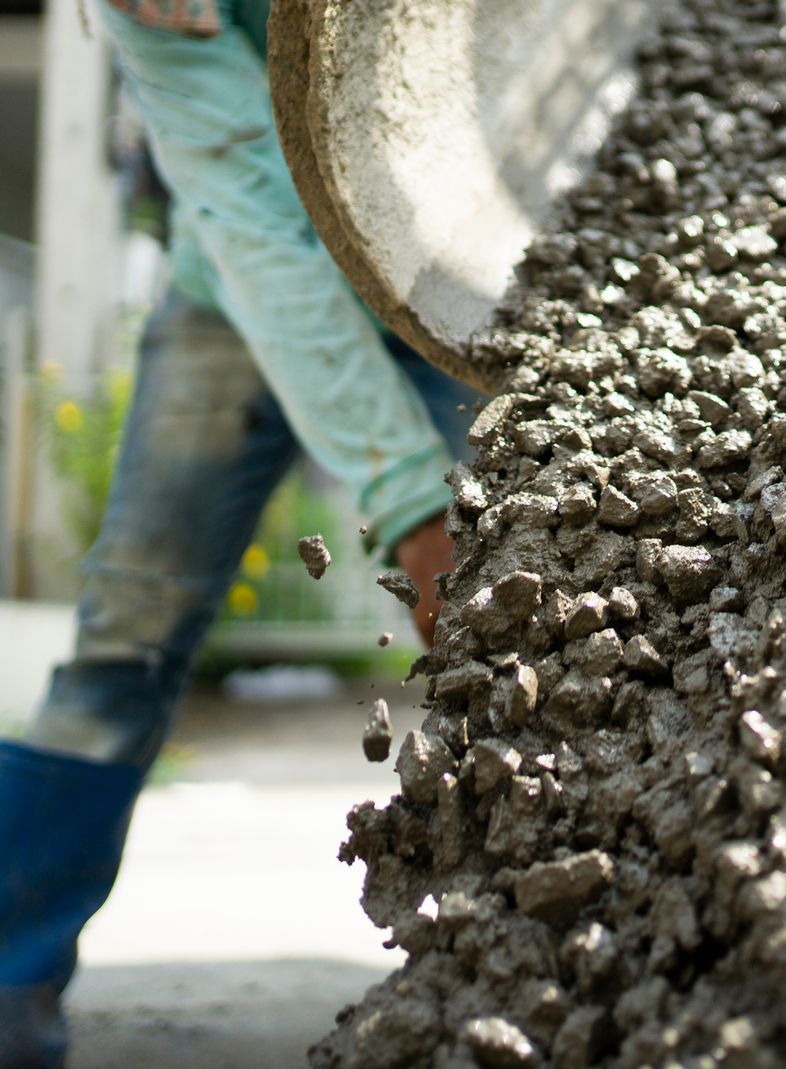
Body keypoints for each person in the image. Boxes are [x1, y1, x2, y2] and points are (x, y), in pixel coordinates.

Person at [0, 1, 483, 1064]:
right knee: (125, 638)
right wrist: (414, 505)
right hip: (239, 275)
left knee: (526, 625)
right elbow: (263, 227)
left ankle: (541, 963)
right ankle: (8, 974)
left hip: (455, 275)